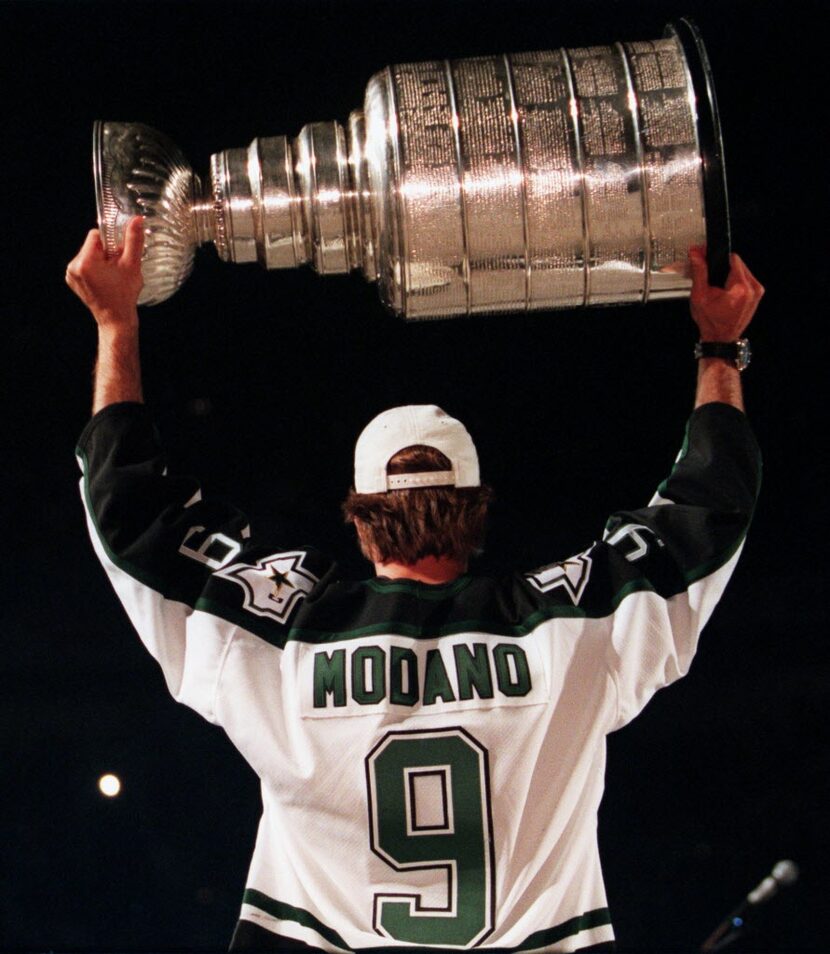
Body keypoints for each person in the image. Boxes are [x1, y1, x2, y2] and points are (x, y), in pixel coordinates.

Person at [66, 216, 764, 953]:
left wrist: (116, 324)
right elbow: (706, 513)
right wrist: (720, 348)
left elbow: (131, 517)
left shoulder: (286, 638)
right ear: (476, 511)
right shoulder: (569, 629)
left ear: (361, 522)